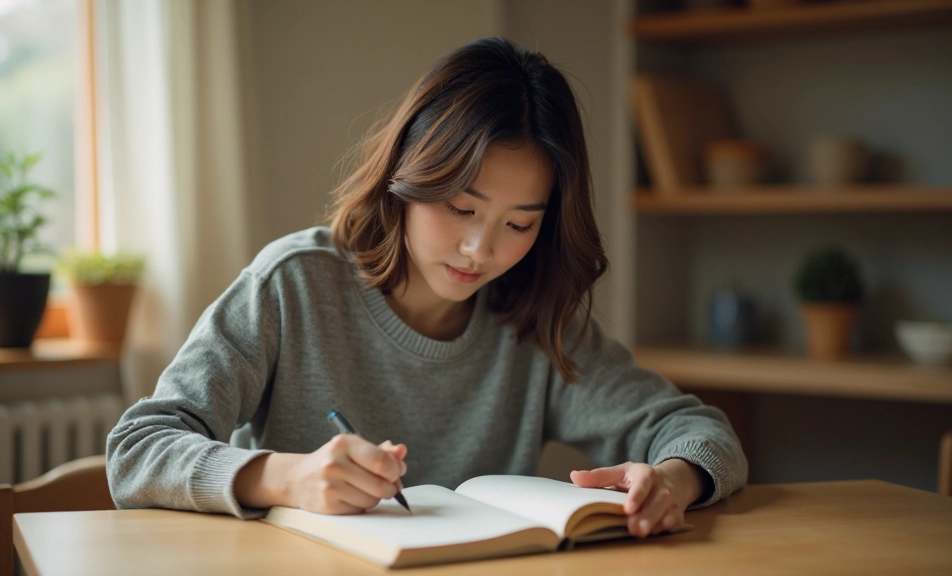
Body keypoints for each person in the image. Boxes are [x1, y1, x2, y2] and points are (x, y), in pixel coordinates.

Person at [107, 36, 747, 538]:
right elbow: (137, 450)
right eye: (462, 210)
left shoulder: (532, 315)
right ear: (408, 179)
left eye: (519, 224)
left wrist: (672, 480)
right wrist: (286, 477)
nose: (481, 250)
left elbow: (698, 430)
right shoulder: (293, 286)